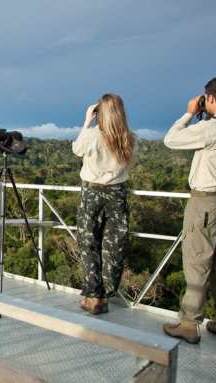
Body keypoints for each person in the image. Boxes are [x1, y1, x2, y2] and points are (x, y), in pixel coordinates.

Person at [161, 76, 216, 344]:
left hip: (205, 203)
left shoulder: (213, 129)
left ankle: (189, 324)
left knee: (197, 262)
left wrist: (189, 113)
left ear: (209, 98)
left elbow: (171, 140)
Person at [71, 93, 135, 315]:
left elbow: (76, 150)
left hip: (92, 193)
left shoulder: (91, 135)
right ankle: (106, 294)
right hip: (117, 194)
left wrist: (87, 121)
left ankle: (94, 296)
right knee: (114, 246)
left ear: (101, 113)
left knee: (89, 244)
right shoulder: (129, 137)